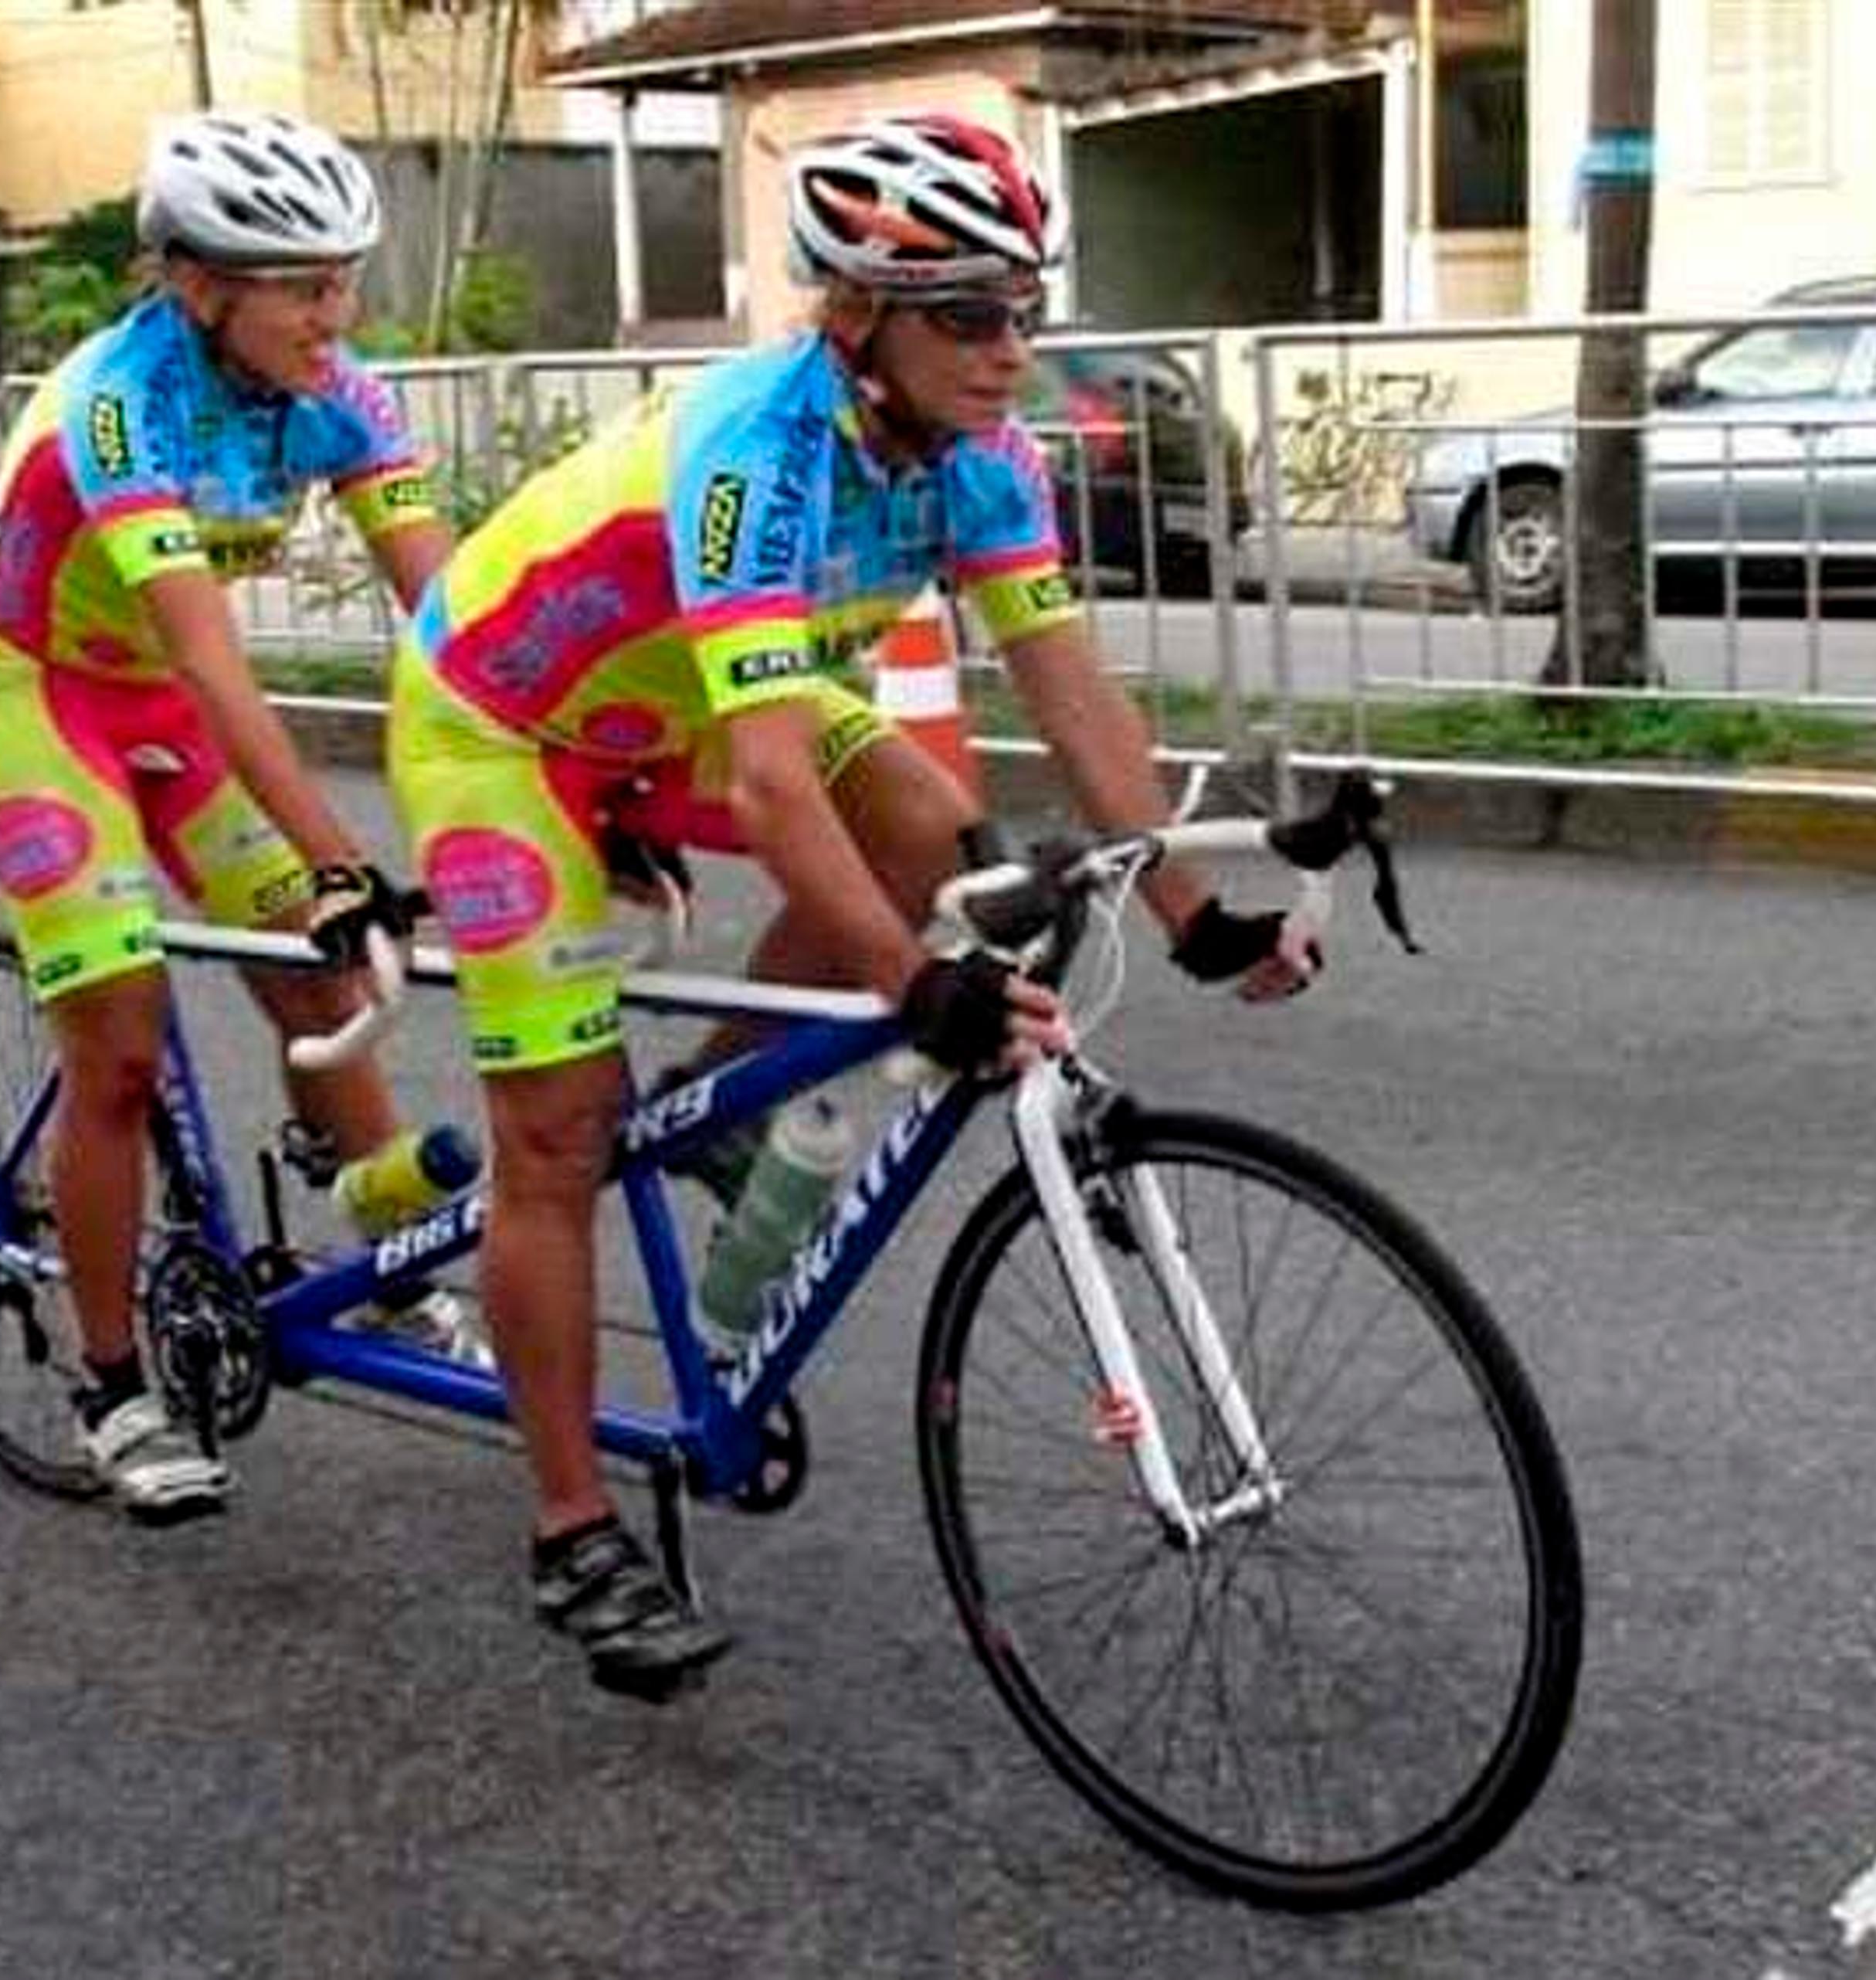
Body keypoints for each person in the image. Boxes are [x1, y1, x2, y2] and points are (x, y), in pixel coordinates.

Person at [384, 112, 1318, 1694]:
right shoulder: (758, 447)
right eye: (966, 314)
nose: (1009, 348)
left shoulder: (985, 457)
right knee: (554, 1134)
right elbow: (765, 784)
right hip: (510, 733)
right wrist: (908, 982)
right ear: (851, 319)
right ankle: (570, 1526)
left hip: (684, 700)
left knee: (967, 862)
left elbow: (1077, 704)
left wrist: (1196, 915)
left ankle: (716, 1099)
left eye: (1024, 307)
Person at [0, 110, 466, 1526]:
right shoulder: (121, 401)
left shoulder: (343, 391)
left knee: (325, 969)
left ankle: (384, 1261)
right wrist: (343, 856)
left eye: (342, 278)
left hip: (157, 706)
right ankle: (113, 1388)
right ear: (194, 284)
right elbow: (222, 658)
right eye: (300, 285)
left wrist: (561, 775)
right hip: (33, 697)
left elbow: (455, 619)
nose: (332, 314)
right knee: (117, 1038)